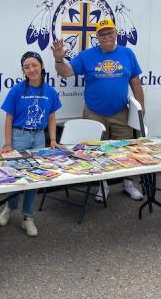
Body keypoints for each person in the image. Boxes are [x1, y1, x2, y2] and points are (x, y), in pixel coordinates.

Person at [51, 18, 145, 202]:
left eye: (110, 32)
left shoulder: (127, 54)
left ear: (116, 34)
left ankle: (127, 183)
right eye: (102, 34)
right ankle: (103, 186)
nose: (106, 36)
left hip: (121, 111)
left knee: (124, 150)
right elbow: (65, 72)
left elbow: (135, 82)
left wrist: (140, 110)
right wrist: (59, 58)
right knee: (96, 152)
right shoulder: (87, 56)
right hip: (94, 112)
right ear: (97, 37)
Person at [0, 51, 64, 236]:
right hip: (20, 136)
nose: (31, 69)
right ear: (23, 70)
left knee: (34, 178)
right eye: (27, 67)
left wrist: (52, 140)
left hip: (39, 138)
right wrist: (8, 143)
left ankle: (28, 217)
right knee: (15, 177)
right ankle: (9, 208)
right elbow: (9, 118)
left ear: (41, 66)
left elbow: (51, 118)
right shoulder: (17, 90)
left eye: (34, 65)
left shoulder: (49, 91)